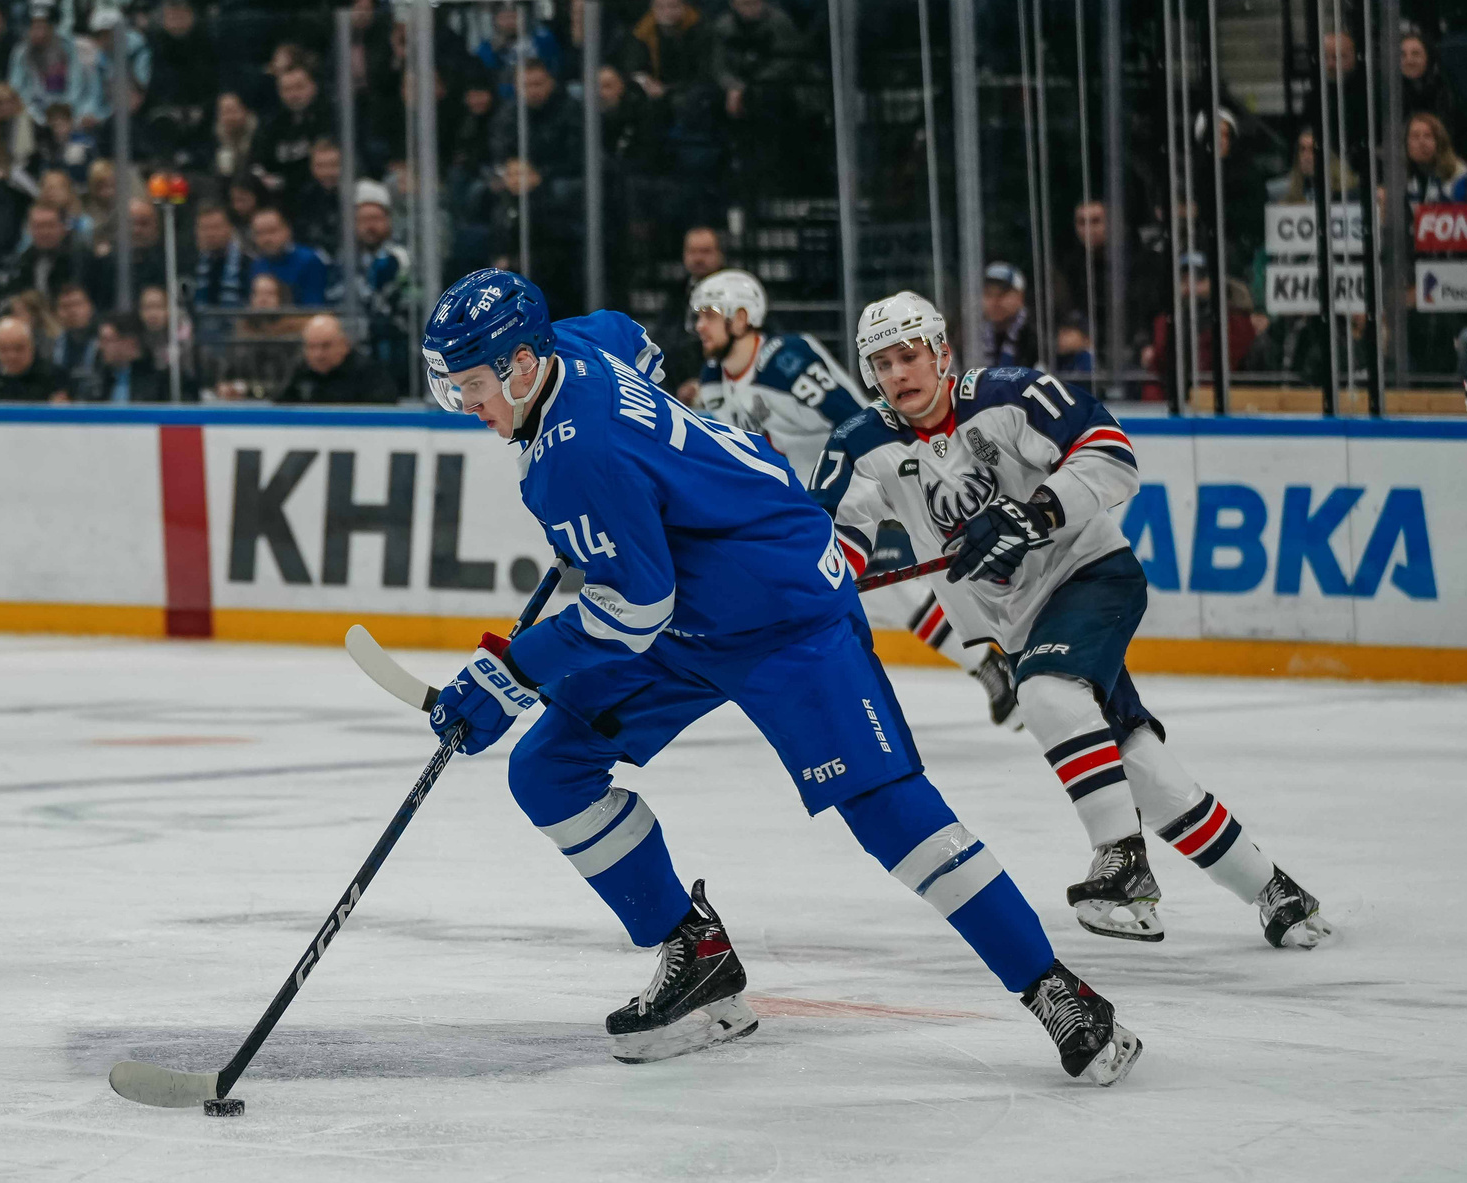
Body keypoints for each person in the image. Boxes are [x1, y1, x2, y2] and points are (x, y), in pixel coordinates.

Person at [415, 268, 1142, 1084]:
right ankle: (696, 955)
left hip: (785, 615)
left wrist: (511, 674)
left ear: (519, 365)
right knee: (548, 769)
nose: (468, 408)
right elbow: (631, 336)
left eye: (472, 387)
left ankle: (1054, 987)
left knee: (890, 815)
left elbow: (630, 613)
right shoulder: (572, 346)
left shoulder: (574, 456)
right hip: (693, 614)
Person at [813, 290, 1332, 955]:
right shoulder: (861, 442)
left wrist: (1035, 514)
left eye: (909, 356)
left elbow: (1111, 452)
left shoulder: (1011, 394)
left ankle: (1124, 866)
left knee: (1046, 694)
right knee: (1138, 763)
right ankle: (1276, 892)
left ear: (942, 351)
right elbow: (829, 539)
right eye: (881, 363)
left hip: (1092, 574)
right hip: (1019, 621)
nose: (897, 375)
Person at [686, 268, 1017, 725]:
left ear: (742, 317)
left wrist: (889, 481)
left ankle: (990, 662)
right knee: (867, 597)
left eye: (710, 314)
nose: (699, 326)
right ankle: (982, 665)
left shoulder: (786, 362)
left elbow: (857, 419)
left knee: (884, 594)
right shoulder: (712, 380)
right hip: (792, 513)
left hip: (849, 492)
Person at [273, 311, 394, 403]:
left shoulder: (370, 375)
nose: (318, 354)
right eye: (311, 347)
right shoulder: (301, 374)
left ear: (344, 345)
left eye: (326, 346)